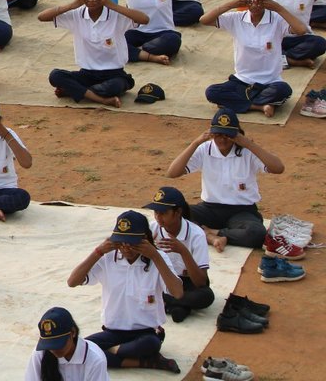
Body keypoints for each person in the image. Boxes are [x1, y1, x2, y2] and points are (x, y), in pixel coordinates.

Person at [67, 211, 184, 373]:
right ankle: (146, 362)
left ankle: (113, 352)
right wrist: (97, 252)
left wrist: (155, 256)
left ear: (145, 239)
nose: (126, 247)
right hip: (113, 332)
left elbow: (177, 293)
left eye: (132, 242)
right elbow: (72, 282)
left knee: (150, 344)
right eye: (121, 242)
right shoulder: (107, 258)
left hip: (146, 333)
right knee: (80, 351)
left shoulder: (159, 258)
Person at [167, 109, 284, 249]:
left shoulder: (247, 151)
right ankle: (211, 238)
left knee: (257, 234)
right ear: (211, 134)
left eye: (227, 135)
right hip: (210, 208)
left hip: (242, 211)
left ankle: (214, 232)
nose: (222, 139)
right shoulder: (205, 149)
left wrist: (249, 144)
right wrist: (195, 143)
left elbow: (278, 168)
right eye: (217, 135)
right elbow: (172, 172)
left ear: (236, 134)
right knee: (173, 217)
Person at [199, 0, 304, 117]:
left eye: (259, 1)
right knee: (212, 92)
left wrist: (279, 8)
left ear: (267, 0)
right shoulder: (237, 18)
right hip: (242, 80)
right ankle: (259, 106)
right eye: (250, 0)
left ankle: (237, 102)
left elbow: (301, 30)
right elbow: (204, 20)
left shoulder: (277, 19)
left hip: (270, 81)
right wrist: (231, 4)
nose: (254, 5)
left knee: (283, 90)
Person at [40, 0, 149, 107]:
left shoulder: (115, 14)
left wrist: (111, 5)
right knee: (55, 75)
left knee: (114, 87)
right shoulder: (77, 14)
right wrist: (72, 5)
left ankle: (76, 91)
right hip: (87, 73)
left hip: (114, 73)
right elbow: (42, 17)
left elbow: (144, 19)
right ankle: (102, 100)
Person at [143, 186, 214, 322]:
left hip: (187, 282)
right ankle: (179, 306)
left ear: (177, 212)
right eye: (156, 212)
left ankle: (168, 303)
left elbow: (200, 282)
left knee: (206, 296)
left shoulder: (196, 234)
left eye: (163, 213)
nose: (158, 217)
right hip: (162, 279)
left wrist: (183, 251)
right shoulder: (152, 229)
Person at [26, 306, 110, 380]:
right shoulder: (39, 354)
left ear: (73, 333)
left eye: (58, 343)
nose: (53, 349)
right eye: (49, 344)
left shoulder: (95, 360)